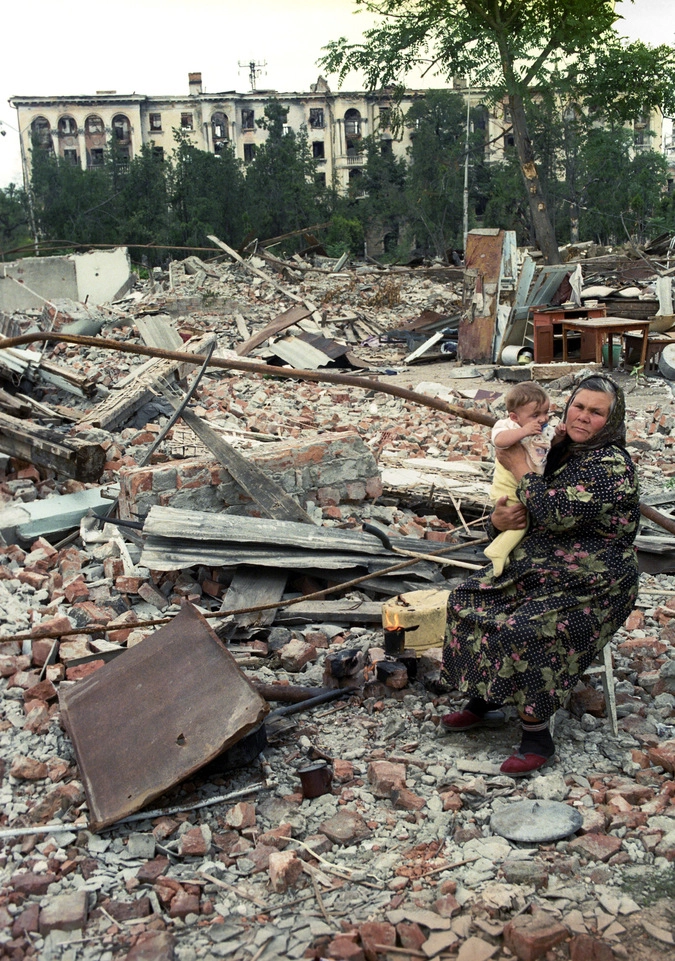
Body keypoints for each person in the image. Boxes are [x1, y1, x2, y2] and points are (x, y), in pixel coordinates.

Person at [440, 373, 640, 776]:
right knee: (466, 600)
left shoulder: (611, 465)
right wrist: (498, 520)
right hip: (539, 566)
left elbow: (555, 514)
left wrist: (518, 468)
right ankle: (486, 698)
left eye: (596, 412)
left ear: (612, 420)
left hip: (595, 581)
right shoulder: (558, 449)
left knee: (526, 629)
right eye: (579, 407)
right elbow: (524, 512)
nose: (584, 417)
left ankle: (536, 736)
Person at [485, 383, 559, 577]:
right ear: (514, 417)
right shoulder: (508, 426)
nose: (542, 419)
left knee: (523, 518)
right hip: (508, 486)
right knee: (520, 521)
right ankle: (498, 550)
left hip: (525, 483)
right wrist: (524, 431)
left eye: (545, 413)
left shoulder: (542, 429)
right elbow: (499, 441)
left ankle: (504, 552)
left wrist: (559, 435)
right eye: (535, 415)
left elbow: (549, 447)